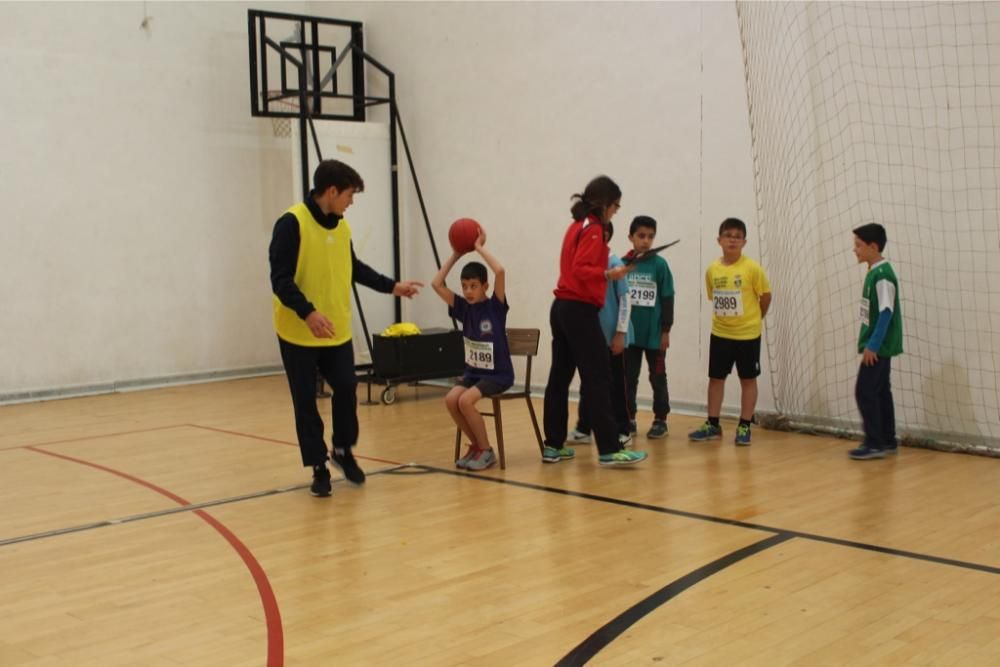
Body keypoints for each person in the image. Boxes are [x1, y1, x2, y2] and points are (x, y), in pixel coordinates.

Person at [269, 159, 423, 497]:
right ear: (332, 191)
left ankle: (342, 450)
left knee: (346, 386)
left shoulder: (342, 227)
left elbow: (353, 268)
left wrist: (392, 286)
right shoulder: (291, 223)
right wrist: (308, 313)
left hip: (336, 329)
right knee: (306, 401)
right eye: (349, 195)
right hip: (298, 333)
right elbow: (279, 280)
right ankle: (319, 467)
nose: (351, 203)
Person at [542, 175, 648, 466]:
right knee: (599, 377)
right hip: (578, 309)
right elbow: (581, 269)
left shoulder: (576, 225)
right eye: (615, 206)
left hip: (561, 307)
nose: (616, 211)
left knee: (559, 378)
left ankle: (552, 445)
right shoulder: (594, 229)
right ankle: (610, 450)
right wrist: (608, 275)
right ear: (604, 204)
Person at [431, 229, 513, 471]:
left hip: (497, 375)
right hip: (473, 373)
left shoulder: (495, 307)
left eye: (473, 286)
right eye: (464, 286)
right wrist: (456, 254)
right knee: (451, 399)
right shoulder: (463, 308)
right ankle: (476, 446)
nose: (468, 291)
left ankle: (487, 451)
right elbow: (436, 283)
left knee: (465, 401)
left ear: (485, 286)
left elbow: (500, 271)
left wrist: (478, 247)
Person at [689, 218, 771, 446]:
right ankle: (712, 425)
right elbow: (714, 298)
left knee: (748, 379)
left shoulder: (752, 268)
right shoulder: (712, 270)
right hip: (720, 334)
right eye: (728, 235)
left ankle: (744, 425)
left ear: (744, 241)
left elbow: (765, 296)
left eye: (737, 236)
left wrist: (755, 319)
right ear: (719, 240)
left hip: (748, 336)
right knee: (716, 379)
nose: (732, 239)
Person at [566, 221, 635, 447]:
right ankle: (584, 429)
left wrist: (620, 333)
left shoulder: (614, 263)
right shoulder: (587, 266)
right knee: (590, 383)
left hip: (613, 337)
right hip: (592, 337)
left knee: (616, 384)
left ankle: (623, 429)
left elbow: (625, 300)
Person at [849, 222, 903, 460]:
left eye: (859, 245)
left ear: (873, 246)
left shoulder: (882, 276)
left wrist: (873, 344)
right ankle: (887, 439)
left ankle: (874, 442)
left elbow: (886, 312)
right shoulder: (875, 273)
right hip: (880, 346)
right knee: (881, 391)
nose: (855, 250)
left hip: (878, 347)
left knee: (865, 391)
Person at [622, 215, 675, 439]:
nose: (645, 241)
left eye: (650, 237)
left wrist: (665, 331)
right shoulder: (623, 265)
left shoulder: (660, 265)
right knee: (628, 378)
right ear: (631, 237)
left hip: (654, 336)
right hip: (629, 335)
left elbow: (668, 298)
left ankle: (660, 419)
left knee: (658, 377)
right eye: (641, 236)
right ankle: (629, 418)